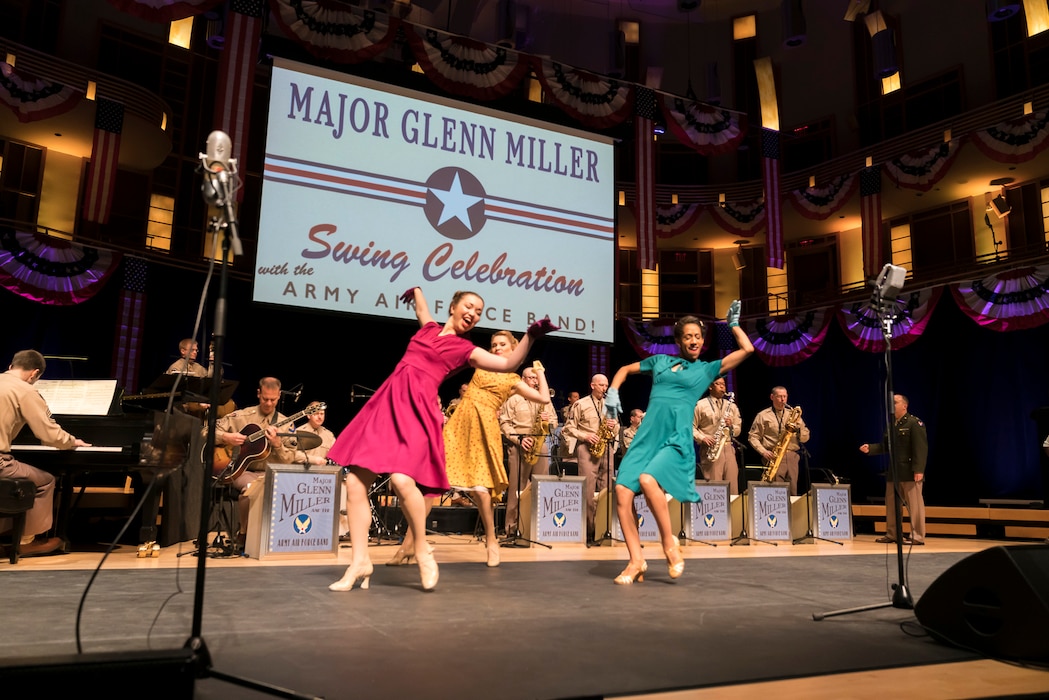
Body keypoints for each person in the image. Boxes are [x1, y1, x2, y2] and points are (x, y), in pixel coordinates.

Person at [326, 287, 556, 592]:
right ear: (453, 307)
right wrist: (417, 291)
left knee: (402, 480)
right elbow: (422, 310)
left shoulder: (465, 349)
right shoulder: (429, 329)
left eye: (478, 312)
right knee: (355, 482)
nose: (473, 314)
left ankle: (421, 548)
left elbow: (507, 364)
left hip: (418, 410)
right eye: (469, 307)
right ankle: (359, 562)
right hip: (388, 403)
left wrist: (530, 336)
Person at [604, 303, 753, 584]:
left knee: (648, 480)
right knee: (622, 493)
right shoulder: (659, 361)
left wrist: (733, 325)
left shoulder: (707, 370)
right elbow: (624, 369)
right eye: (687, 336)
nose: (694, 340)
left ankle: (669, 544)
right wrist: (612, 391)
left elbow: (748, 351)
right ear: (678, 340)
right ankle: (636, 561)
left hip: (674, 438)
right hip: (646, 438)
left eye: (697, 336)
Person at [410, 331, 552, 567]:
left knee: (481, 489)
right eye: (494, 344)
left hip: (484, 428)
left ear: (514, 348)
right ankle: (411, 543)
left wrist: (540, 371)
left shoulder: (513, 380)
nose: (496, 347)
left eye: (502, 344)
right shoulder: (482, 363)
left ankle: (492, 540)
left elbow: (544, 398)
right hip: (459, 424)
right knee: (433, 482)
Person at [0, 350, 90, 556]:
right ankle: (25, 541)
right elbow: (49, 434)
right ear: (34, 374)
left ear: (12, 366)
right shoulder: (25, 391)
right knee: (45, 480)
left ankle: (7, 533)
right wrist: (71, 441)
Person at [208, 377, 298, 546]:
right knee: (252, 489)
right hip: (244, 472)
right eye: (265, 399)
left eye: (273, 399)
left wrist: (278, 445)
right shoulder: (242, 416)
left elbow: (289, 460)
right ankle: (244, 532)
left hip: (271, 473)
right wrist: (227, 437)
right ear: (258, 394)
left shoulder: (286, 424)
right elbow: (206, 431)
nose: (269, 403)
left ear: (279, 396)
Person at [498, 361, 558, 541]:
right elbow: (504, 424)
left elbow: (554, 422)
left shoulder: (544, 399)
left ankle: (540, 526)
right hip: (520, 445)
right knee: (518, 487)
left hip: (540, 444)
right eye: (532, 378)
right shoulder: (514, 399)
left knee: (542, 486)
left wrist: (548, 422)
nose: (535, 381)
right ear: (523, 380)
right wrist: (519, 439)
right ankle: (511, 527)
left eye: (536, 377)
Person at [860, 393, 928, 545]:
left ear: (904, 406)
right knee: (892, 505)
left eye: (895, 402)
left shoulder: (914, 423)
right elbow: (885, 446)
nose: (892, 405)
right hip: (894, 472)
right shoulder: (892, 424)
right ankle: (893, 534)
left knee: (915, 506)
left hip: (910, 472)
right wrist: (870, 448)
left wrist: (919, 470)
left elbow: (920, 448)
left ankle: (917, 536)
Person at [562, 374, 620, 543]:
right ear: (592, 385)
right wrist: (585, 435)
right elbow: (568, 428)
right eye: (601, 385)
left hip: (606, 447)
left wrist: (613, 426)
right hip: (587, 447)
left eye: (606, 385)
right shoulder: (581, 404)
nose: (604, 388)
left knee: (607, 489)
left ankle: (604, 528)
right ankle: (588, 530)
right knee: (587, 490)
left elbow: (616, 427)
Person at [747, 386, 810, 496]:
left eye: (785, 396)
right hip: (773, 456)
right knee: (776, 491)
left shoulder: (794, 415)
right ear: (772, 397)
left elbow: (805, 437)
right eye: (780, 396)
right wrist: (763, 452)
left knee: (793, 491)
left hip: (792, 456)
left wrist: (799, 430)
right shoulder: (763, 415)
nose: (783, 400)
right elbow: (753, 437)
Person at [693, 377, 742, 494]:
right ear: (710, 386)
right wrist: (702, 437)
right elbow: (690, 427)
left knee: (733, 488)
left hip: (729, 448)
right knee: (714, 489)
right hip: (711, 450)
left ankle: (734, 512)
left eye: (723, 384)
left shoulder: (731, 406)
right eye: (718, 384)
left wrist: (731, 426)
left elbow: (738, 429)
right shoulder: (700, 405)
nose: (722, 387)